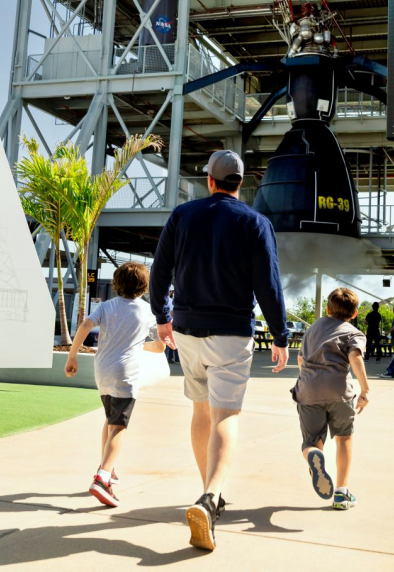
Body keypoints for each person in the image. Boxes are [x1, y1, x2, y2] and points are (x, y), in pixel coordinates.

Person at [149, 149, 289, 552]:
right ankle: (211, 497)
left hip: (188, 330)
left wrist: (162, 316)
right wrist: (279, 336)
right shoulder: (256, 222)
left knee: (201, 410)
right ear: (239, 183)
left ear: (210, 179)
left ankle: (209, 491)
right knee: (226, 414)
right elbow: (269, 283)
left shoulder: (182, 215)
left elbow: (160, 269)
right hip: (231, 330)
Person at [64, 262, 164, 508]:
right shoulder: (146, 312)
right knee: (119, 426)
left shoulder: (106, 307)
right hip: (125, 375)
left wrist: (72, 355)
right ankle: (102, 478)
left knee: (110, 421)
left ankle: (107, 467)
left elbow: (86, 325)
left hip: (103, 371)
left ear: (116, 284)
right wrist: (144, 345)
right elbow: (160, 346)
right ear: (144, 287)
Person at [291, 287, 370, 510]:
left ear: (327, 309)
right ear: (355, 313)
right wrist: (365, 390)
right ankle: (341, 494)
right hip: (338, 391)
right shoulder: (353, 333)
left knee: (311, 440)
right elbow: (355, 357)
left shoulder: (313, 329)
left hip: (308, 390)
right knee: (344, 437)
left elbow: (300, 360)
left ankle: (313, 455)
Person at [164, 287, 180, 364]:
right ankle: (175, 358)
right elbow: (172, 313)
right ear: (170, 292)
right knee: (173, 341)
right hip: (170, 323)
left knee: (164, 341)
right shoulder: (171, 301)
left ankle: (167, 357)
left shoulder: (160, 300)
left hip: (160, 323)